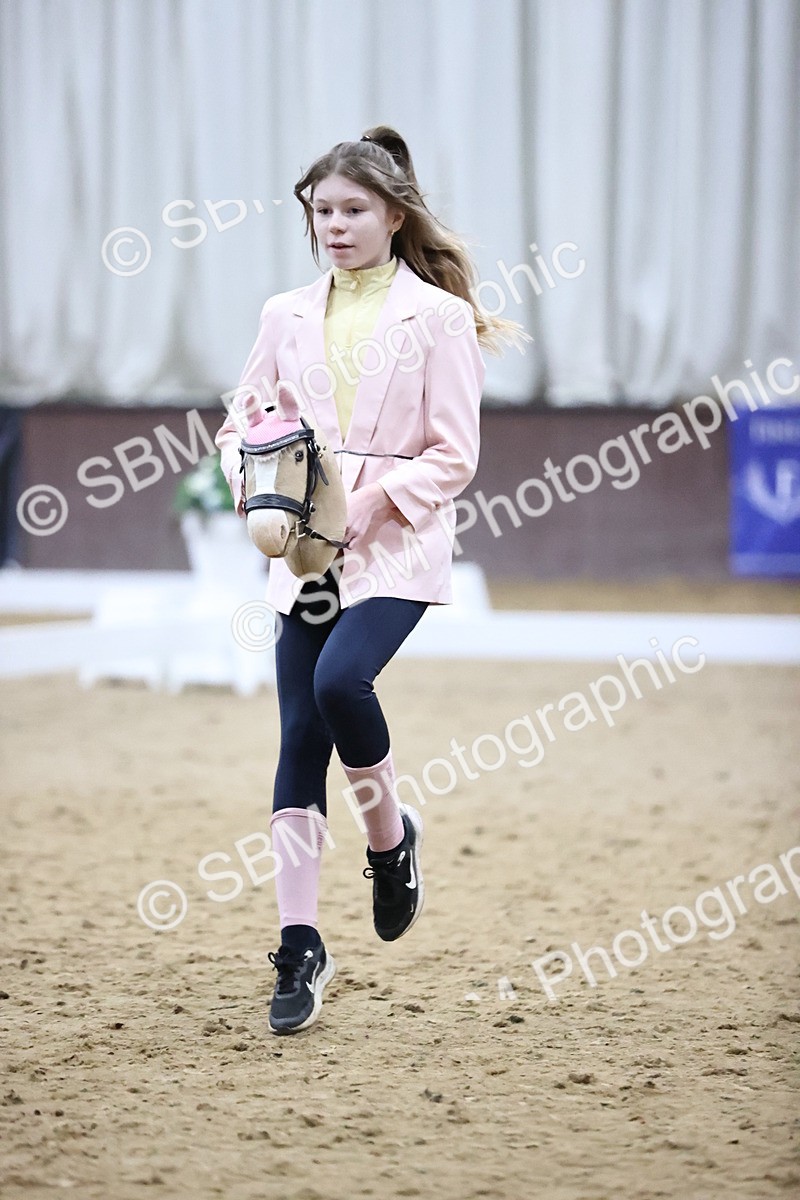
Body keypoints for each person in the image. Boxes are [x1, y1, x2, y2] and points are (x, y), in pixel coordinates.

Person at [215, 125, 527, 1034]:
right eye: (323, 212)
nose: (336, 225)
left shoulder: (437, 318)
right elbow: (240, 426)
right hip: (302, 550)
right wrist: (259, 492)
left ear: (394, 215)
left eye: (353, 210)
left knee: (340, 680)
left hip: (394, 545)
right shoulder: (282, 314)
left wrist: (367, 505)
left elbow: (454, 456)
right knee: (297, 737)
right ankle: (301, 943)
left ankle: (390, 842)